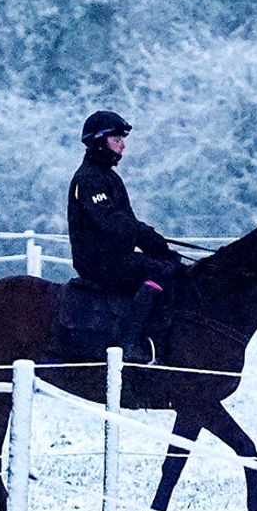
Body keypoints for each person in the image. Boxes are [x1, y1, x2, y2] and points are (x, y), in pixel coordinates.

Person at [65, 109, 186, 361]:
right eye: (116, 140)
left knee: (172, 266)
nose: (123, 146)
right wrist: (147, 235)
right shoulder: (88, 179)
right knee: (159, 273)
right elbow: (112, 221)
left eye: (122, 140)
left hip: (117, 256)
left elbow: (127, 222)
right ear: (99, 142)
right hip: (98, 261)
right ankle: (129, 339)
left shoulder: (109, 177)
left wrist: (157, 247)